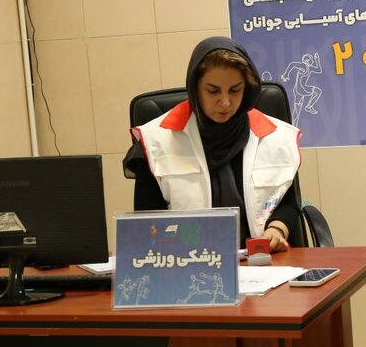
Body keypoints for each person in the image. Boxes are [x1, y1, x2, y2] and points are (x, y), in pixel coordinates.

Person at [124, 36, 301, 252]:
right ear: (195, 88)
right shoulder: (156, 141)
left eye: (235, 90)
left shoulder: (276, 137)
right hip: (186, 261)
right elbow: (146, 221)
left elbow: (288, 204)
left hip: (262, 260)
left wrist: (277, 229)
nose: (225, 102)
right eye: (213, 91)